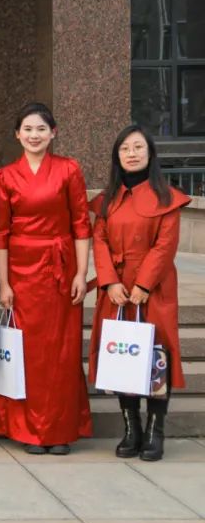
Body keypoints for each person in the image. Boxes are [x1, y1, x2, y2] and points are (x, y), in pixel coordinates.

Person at [0, 103, 93, 454]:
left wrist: (82, 273)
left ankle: (59, 430)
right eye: (28, 129)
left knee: (62, 351)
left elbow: (81, 224)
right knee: (27, 352)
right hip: (21, 272)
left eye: (41, 129)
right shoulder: (4, 176)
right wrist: (4, 283)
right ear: (17, 135)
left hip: (61, 270)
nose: (34, 135)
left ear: (53, 133)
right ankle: (25, 429)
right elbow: (0, 233)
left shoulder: (69, 169)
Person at [89, 125, 189, 462]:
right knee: (123, 354)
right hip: (117, 289)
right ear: (116, 156)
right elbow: (99, 240)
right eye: (125, 149)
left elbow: (165, 245)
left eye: (138, 147)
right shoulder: (109, 199)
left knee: (157, 355)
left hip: (154, 288)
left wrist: (144, 284)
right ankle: (131, 428)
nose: (131, 154)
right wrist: (109, 282)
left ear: (150, 153)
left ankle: (155, 430)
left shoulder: (167, 197)